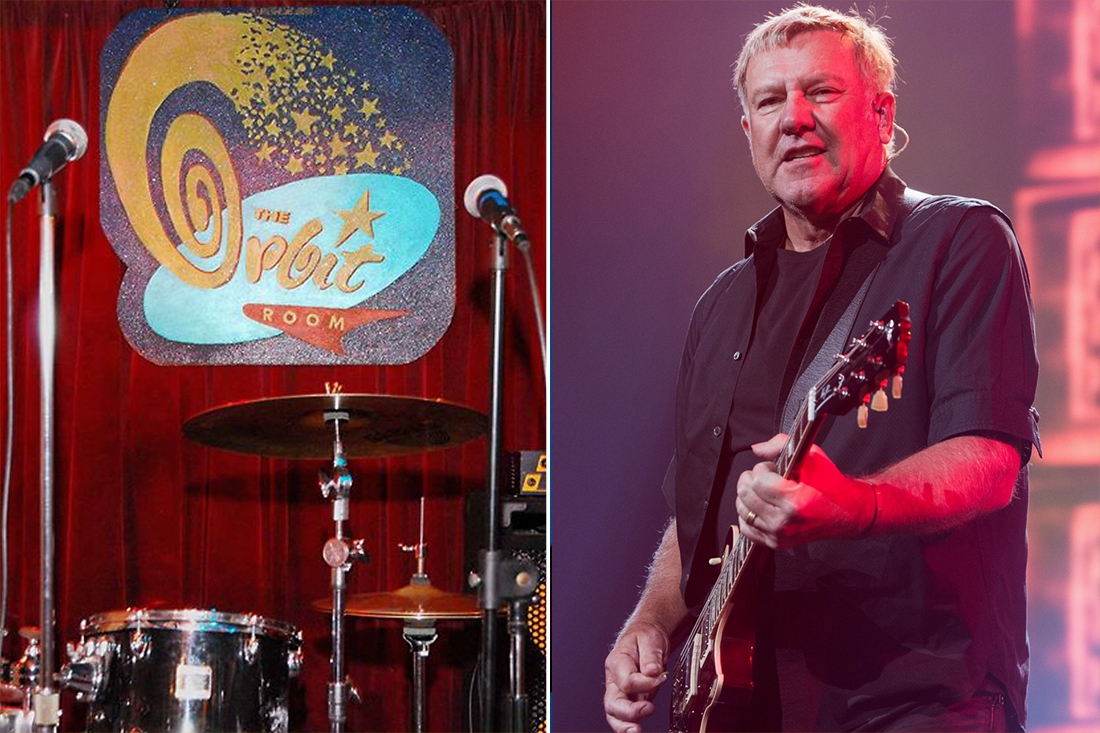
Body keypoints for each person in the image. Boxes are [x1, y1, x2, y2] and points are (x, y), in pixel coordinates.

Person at [602, 6, 1040, 732]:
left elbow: (991, 459)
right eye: (770, 101)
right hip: (746, 710)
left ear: (880, 110)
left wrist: (852, 506)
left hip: (914, 702)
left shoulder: (961, 241)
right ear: (749, 131)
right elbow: (698, 520)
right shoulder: (720, 306)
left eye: (821, 92)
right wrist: (648, 621)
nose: (795, 118)